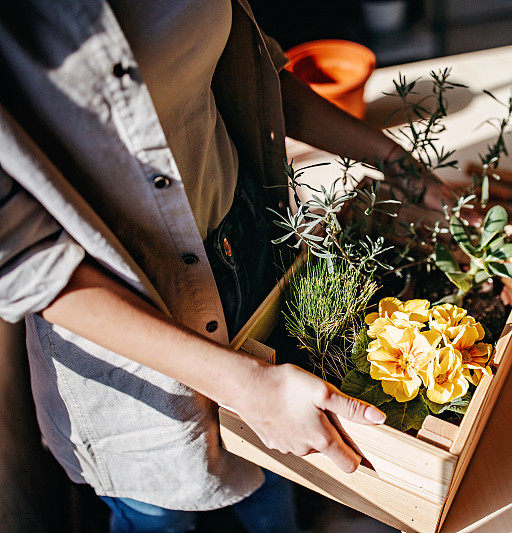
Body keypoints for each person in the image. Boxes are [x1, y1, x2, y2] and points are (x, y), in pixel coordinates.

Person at [0, 1, 441, 531]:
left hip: (252, 261)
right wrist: (249, 386)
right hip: (129, 331)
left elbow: (256, 76)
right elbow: (26, 258)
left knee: (276, 490)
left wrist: (398, 163)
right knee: (160, 512)